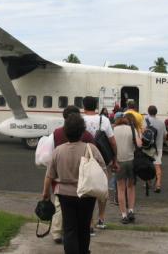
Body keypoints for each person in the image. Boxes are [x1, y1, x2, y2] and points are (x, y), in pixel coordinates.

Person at [42, 113, 107, 254]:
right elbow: (103, 169)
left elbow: (49, 176)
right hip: (87, 194)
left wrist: (46, 193)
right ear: (82, 131)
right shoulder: (91, 148)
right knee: (84, 228)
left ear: (66, 132)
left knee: (69, 228)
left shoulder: (58, 151)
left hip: (65, 195)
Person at [50, 105, 95, 244]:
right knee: (84, 212)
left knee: (59, 206)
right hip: (83, 179)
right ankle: (88, 226)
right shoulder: (87, 135)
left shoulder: (56, 133)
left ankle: (57, 232)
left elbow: (51, 153)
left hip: (60, 177)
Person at [82, 96, 118, 230]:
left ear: (83, 106)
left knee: (86, 190)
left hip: (84, 159)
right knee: (102, 189)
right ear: (96, 105)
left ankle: (89, 222)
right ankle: (101, 219)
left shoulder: (80, 120)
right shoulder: (104, 120)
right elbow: (113, 142)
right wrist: (115, 159)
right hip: (102, 159)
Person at [113, 114, 142, 224]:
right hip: (131, 160)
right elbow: (139, 144)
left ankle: (124, 215)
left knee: (121, 189)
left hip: (119, 161)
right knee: (131, 187)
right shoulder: (132, 129)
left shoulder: (114, 129)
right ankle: (131, 210)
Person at [144, 105, 167, 193]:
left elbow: (142, 134)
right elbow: (165, 135)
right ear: (156, 112)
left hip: (147, 147)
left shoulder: (145, 121)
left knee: (147, 165)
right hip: (158, 148)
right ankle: (158, 184)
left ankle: (148, 182)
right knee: (157, 165)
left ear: (148, 112)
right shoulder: (161, 123)